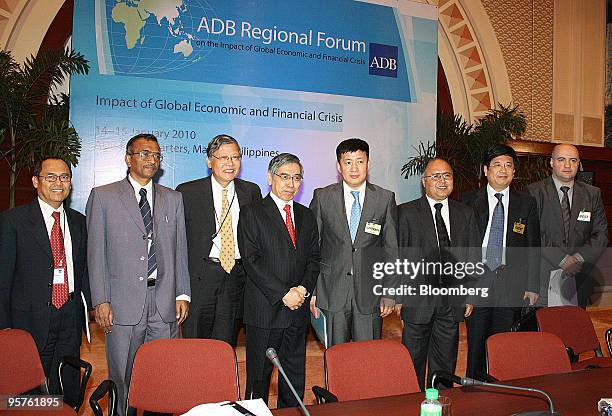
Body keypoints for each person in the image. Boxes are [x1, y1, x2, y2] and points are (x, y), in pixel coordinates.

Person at [86, 134, 190, 415]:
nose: (151, 160)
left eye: (156, 155)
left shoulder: (173, 198)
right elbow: (95, 254)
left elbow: (179, 250)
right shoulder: (104, 196)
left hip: (164, 302)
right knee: (123, 376)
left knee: (163, 375)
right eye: (144, 154)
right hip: (122, 304)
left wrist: (182, 293)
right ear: (128, 158)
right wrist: (101, 300)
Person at [0, 157, 90, 406]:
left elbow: (82, 271)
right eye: (51, 177)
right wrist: (4, 327)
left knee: (67, 383)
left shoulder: (79, 221)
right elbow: (3, 277)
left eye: (64, 177)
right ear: (35, 181)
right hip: (28, 320)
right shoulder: (13, 221)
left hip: (69, 316)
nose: (58, 183)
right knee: (27, 388)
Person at [238, 153, 320, 408]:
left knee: (293, 381)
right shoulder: (252, 212)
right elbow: (252, 261)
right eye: (284, 176)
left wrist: (303, 290)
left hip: (297, 313)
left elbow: (314, 258)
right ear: (270, 178)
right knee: (259, 382)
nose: (290, 183)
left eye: (296, 178)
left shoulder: (306, 216)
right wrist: (284, 293)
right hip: (266, 311)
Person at [397, 158, 479, 390]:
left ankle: (441, 403)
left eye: (447, 175)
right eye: (435, 176)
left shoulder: (465, 213)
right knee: (412, 361)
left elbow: (473, 256)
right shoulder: (406, 213)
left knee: (445, 363)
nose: (442, 181)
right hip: (417, 300)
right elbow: (398, 256)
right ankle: (410, 405)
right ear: (424, 182)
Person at [459, 144, 540, 379]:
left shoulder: (526, 203)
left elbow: (533, 246)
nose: (503, 170)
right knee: (476, 343)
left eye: (508, 165)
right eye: (497, 165)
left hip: (511, 282)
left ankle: (499, 391)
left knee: (503, 344)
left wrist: (533, 285)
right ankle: (472, 388)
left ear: (514, 171)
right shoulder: (467, 201)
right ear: (486, 170)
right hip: (478, 281)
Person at [309, 138, 397, 345]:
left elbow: (391, 249)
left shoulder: (385, 198)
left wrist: (390, 292)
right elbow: (313, 248)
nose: (354, 168)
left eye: (360, 161)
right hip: (331, 293)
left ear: (369, 164)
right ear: (339, 166)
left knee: (368, 358)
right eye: (348, 162)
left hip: (370, 294)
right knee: (335, 357)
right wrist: (313, 292)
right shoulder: (323, 197)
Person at [176, 134, 261, 346]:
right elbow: (176, 244)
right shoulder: (187, 192)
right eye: (223, 157)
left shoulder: (251, 191)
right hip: (200, 279)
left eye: (235, 157)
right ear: (209, 161)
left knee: (225, 345)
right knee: (195, 344)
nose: (230, 163)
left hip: (236, 278)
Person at [527, 144, 608, 307]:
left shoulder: (592, 194)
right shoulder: (534, 192)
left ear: (578, 164)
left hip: (579, 277)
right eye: (561, 160)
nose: (567, 165)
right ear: (551, 162)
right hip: (543, 276)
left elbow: (601, 235)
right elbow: (534, 234)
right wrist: (563, 260)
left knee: (573, 328)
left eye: (573, 160)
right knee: (544, 328)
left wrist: (577, 259)